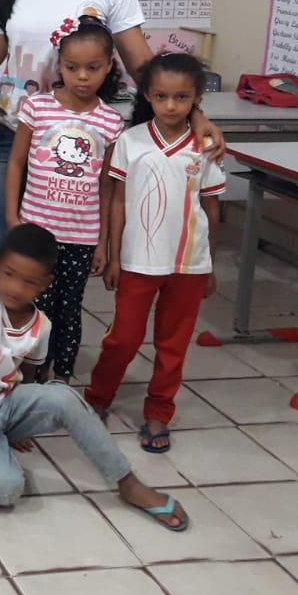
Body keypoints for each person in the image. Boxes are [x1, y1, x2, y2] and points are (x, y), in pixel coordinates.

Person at [0, 151, 188, 530]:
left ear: (46, 284)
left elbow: (32, 376)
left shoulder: (41, 325)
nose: (16, 288)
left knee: (64, 396)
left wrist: (22, 418)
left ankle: (128, 483)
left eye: (30, 282)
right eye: (9, 274)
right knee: (6, 490)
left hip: (3, 407)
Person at [0, 0, 224, 264]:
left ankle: (51, 324)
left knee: (61, 253)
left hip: (78, 138)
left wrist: (195, 114)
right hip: (11, 132)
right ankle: (4, 325)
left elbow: (142, 65)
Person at [86, 53, 224, 453]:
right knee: (123, 339)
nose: (170, 106)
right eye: (161, 96)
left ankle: (158, 412)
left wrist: (209, 264)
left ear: (196, 99)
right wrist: (112, 255)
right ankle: (97, 397)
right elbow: (116, 202)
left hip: (189, 265)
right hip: (137, 263)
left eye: (181, 98)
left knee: (173, 344)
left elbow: (212, 208)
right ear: (147, 95)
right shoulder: (130, 142)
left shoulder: (204, 147)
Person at [5, 15, 126, 384]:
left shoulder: (110, 122)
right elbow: (16, 162)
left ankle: (63, 376)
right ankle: (29, 374)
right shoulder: (37, 107)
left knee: (69, 309)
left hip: (81, 238)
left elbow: (107, 188)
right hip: (36, 231)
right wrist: (13, 217)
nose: (83, 77)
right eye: (73, 67)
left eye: (93, 68)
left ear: (108, 67)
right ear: (60, 66)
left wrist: (103, 242)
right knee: (33, 306)